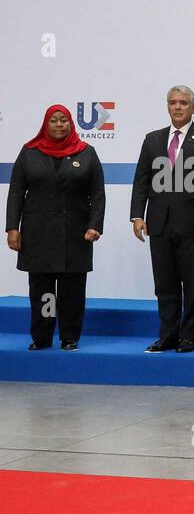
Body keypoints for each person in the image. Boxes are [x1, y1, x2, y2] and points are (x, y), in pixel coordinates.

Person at [129, 85, 194, 353]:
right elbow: (141, 181)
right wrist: (137, 215)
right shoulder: (152, 139)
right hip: (159, 224)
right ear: (167, 106)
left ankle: (187, 337)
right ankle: (167, 335)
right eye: (173, 102)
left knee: (192, 284)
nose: (178, 107)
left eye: (184, 103)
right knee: (164, 284)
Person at [5, 104, 105, 351]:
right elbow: (16, 192)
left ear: (71, 123)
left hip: (76, 233)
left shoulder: (86, 152)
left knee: (72, 290)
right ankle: (42, 337)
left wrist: (95, 225)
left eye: (64, 120)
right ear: (45, 124)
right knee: (43, 291)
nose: (59, 125)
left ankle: (69, 337)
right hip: (38, 234)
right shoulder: (29, 152)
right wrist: (12, 228)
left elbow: (98, 193)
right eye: (54, 121)